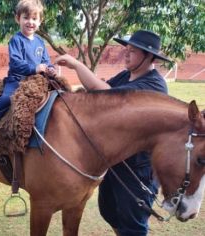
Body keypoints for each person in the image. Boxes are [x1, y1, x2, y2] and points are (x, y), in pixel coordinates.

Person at [55, 30, 171, 235]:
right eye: (126, 49)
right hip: (115, 161)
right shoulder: (128, 74)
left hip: (138, 170)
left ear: (149, 56)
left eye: (133, 51)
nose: (126, 54)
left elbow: (105, 94)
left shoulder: (154, 85)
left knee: (133, 224)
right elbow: (103, 90)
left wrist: (76, 65)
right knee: (109, 210)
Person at [0, 0, 56, 148]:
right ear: (18, 19)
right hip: (17, 80)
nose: (30, 22)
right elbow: (16, 63)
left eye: (34, 19)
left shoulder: (40, 42)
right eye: (26, 18)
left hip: (36, 81)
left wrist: (50, 68)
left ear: (40, 21)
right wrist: (34, 68)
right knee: (7, 99)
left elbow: (46, 61)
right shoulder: (16, 40)